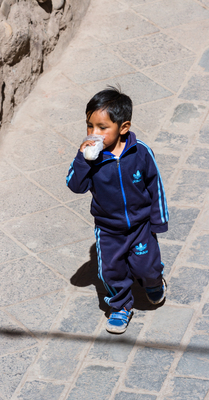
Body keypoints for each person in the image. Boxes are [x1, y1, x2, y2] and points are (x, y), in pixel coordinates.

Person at [66, 87, 169, 334]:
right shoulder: (91, 157)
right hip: (108, 228)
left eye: (102, 128)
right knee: (110, 269)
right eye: (90, 126)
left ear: (123, 128)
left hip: (140, 225)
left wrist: (159, 220)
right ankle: (120, 306)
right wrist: (83, 159)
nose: (94, 133)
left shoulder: (140, 152)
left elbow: (155, 186)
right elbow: (75, 186)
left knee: (147, 265)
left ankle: (154, 281)